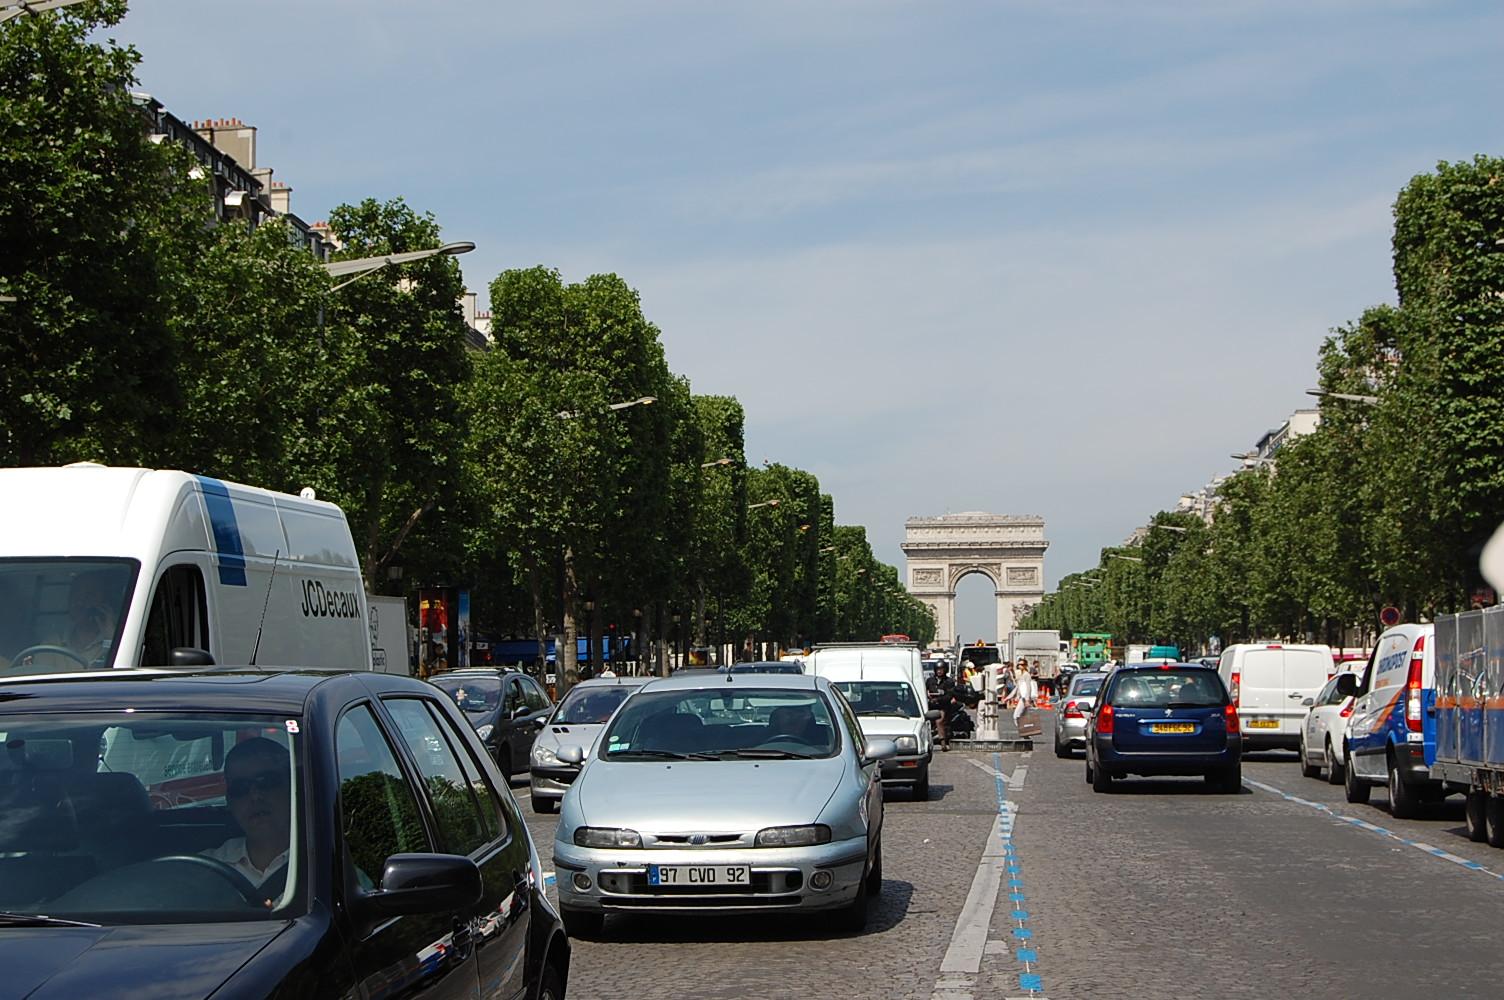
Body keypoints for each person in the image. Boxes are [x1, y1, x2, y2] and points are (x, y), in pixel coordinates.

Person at [204, 737, 292, 898]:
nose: (255, 796)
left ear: (292, 788)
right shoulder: (203, 868)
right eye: (240, 788)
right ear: (229, 801)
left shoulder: (325, 862)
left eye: (267, 782)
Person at [926, 662, 959, 750]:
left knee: (939, 720)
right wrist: (928, 696)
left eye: (941, 669)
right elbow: (925, 690)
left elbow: (949, 695)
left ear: (945, 670)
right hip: (930, 705)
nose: (939, 671)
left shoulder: (949, 681)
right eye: (938, 669)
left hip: (943, 706)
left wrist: (938, 699)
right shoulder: (930, 681)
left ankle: (943, 742)